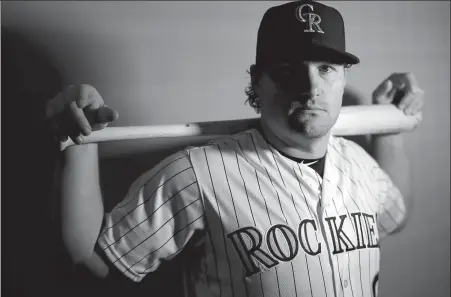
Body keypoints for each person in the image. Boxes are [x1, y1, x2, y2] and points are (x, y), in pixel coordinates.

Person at [46, 1, 425, 296]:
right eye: (289, 69)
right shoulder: (198, 173)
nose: (311, 87)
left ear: (343, 79)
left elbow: (396, 213)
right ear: (257, 83)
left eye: (326, 68)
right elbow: (92, 262)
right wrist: (79, 143)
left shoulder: (358, 162)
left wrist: (388, 125)